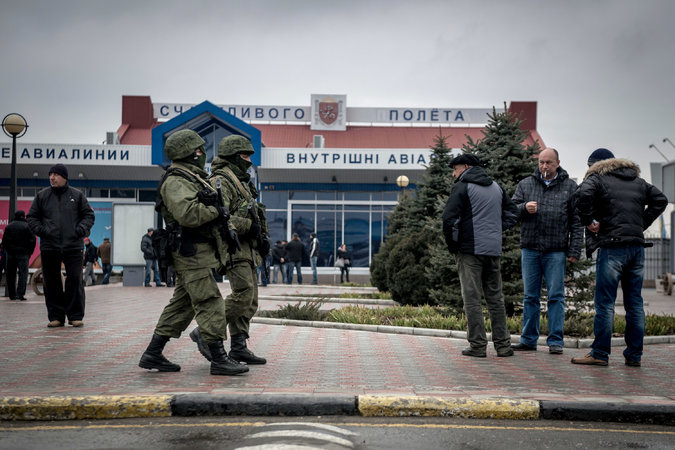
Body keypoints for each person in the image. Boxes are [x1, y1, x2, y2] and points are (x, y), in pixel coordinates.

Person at [138, 129, 247, 376]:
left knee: (182, 305)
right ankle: (219, 358)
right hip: (190, 253)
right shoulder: (176, 180)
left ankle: (153, 352)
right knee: (210, 302)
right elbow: (187, 213)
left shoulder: (191, 177)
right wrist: (216, 211)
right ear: (189, 153)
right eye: (199, 150)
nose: (202, 154)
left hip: (197, 252)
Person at [571, 148, 667, 367]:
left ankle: (600, 354)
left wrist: (588, 221)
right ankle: (634, 355)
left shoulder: (597, 178)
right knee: (635, 303)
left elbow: (581, 195)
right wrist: (640, 224)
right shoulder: (637, 181)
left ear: (594, 164)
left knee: (605, 304)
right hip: (636, 247)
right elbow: (660, 200)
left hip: (612, 247)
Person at [189, 134, 269, 366]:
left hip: (249, 247)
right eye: (245, 155)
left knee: (251, 300)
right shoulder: (221, 181)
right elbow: (219, 217)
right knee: (243, 294)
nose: (249, 161)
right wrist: (249, 226)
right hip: (232, 247)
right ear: (233, 157)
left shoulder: (242, 181)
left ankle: (238, 346)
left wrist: (261, 236)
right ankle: (206, 331)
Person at [442, 153, 519, 358]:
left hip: (469, 251)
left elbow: (449, 220)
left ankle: (477, 346)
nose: (453, 174)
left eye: (455, 169)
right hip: (493, 250)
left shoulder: (462, 186)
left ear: (466, 167)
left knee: (472, 299)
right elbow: (513, 213)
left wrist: (453, 246)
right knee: (496, 299)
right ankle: (503, 346)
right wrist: (494, 231)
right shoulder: (496, 187)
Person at [511, 148, 584, 355]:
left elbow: (577, 222)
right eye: (541, 162)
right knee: (530, 296)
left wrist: (574, 250)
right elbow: (510, 210)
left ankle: (555, 341)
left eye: (548, 163)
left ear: (557, 163)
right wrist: (524, 207)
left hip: (556, 251)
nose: (544, 166)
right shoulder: (525, 184)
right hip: (530, 249)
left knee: (556, 296)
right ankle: (528, 339)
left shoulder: (570, 187)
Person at [27, 163, 95, 328]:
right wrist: (42, 231)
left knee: (75, 279)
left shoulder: (77, 196)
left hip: (73, 246)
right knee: (51, 281)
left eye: (56, 175)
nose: (52, 177)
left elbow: (88, 215)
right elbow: (32, 217)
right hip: (49, 245)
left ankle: (75, 316)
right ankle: (56, 317)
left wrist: (80, 230)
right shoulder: (42, 196)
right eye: (50, 175)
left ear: (64, 177)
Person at [3, 210, 36, 301]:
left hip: (11, 254)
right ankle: (20, 294)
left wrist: (9, 250)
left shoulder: (9, 226)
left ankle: (12, 294)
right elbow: (32, 240)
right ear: (23, 216)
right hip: (23, 254)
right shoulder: (27, 226)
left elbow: (4, 241)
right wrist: (29, 253)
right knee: (23, 274)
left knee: (10, 274)